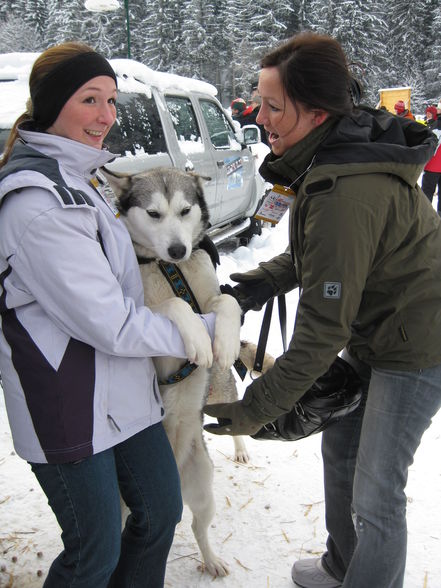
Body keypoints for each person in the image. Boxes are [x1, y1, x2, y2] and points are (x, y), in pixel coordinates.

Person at [203, 32, 441, 588]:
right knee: (343, 451)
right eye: (258, 101)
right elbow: (322, 257)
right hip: (380, 326)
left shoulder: (346, 190)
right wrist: (253, 287)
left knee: (377, 489)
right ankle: (343, 565)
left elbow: (320, 329)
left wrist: (253, 407)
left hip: (416, 345)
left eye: (272, 106)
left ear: (316, 112)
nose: (258, 116)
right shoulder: (331, 159)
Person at [0, 42, 218, 588]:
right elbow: (113, 322)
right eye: (89, 99)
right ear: (51, 105)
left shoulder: (84, 180)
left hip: (125, 392)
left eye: (112, 100)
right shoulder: (38, 200)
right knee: (92, 555)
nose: (106, 116)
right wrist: (210, 327)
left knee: (160, 514)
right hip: (67, 402)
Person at [421, 105, 441, 214]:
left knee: (426, 194)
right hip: (434, 165)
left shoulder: (435, 126)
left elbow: (431, 146)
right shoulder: (431, 124)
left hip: (433, 166)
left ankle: (425, 216)